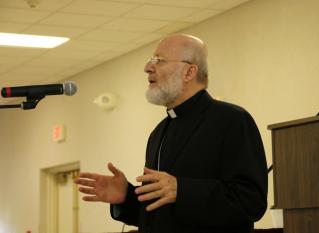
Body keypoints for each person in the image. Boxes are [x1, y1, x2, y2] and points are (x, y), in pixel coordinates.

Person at [75, 34, 268, 233]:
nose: (148, 67)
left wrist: (182, 190)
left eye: (159, 60)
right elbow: (159, 214)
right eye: (151, 60)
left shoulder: (232, 120)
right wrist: (127, 197)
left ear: (189, 71)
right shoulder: (159, 132)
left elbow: (251, 202)